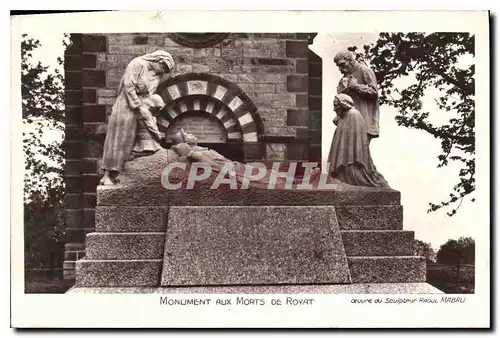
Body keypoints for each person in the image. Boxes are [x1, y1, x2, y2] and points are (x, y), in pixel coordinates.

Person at [99, 50, 175, 185]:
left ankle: (121, 175)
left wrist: (150, 106)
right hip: (127, 105)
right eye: (163, 67)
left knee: (131, 140)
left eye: (165, 70)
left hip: (141, 107)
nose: (162, 71)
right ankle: (107, 175)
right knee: (119, 138)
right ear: (158, 60)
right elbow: (129, 86)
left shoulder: (156, 75)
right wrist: (138, 106)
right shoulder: (138, 64)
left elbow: (149, 94)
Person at [169, 129, 335, 189]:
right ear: (186, 141)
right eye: (187, 135)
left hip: (236, 166)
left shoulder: (200, 149)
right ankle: (302, 183)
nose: (190, 134)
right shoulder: (196, 153)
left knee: (269, 173)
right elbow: (211, 165)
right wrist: (236, 178)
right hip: (234, 171)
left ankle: (303, 180)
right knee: (269, 178)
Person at [327, 94, 390, 188]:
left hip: (352, 162)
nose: (334, 109)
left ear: (343, 104)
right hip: (346, 164)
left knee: (354, 175)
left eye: (336, 105)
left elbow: (353, 142)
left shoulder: (353, 114)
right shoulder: (345, 116)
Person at [334, 51, 380, 143]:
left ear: (350, 60)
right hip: (348, 121)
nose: (340, 68)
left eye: (342, 64)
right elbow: (341, 99)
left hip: (364, 119)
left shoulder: (365, 70)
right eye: (338, 66)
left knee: (360, 151)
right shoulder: (344, 77)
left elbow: (374, 93)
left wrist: (356, 87)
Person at [130, 94, 166, 160]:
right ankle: (136, 154)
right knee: (149, 151)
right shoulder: (145, 111)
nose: (158, 110)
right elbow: (151, 126)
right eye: (157, 108)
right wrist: (158, 136)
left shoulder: (146, 111)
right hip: (146, 139)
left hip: (146, 137)